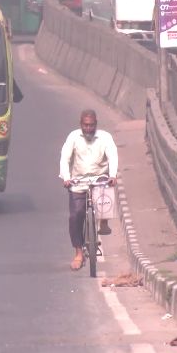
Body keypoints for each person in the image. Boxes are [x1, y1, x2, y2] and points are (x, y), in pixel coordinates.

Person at [59, 109, 119, 271]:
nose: (88, 128)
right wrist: (66, 177)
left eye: (91, 125)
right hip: (78, 180)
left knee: (106, 197)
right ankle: (78, 253)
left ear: (96, 124)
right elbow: (65, 158)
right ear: (81, 124)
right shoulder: (73, 137)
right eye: (85, 125)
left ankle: (104, 221)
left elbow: (113, 156)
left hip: (99, 179)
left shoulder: (105, 137)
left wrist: (112, 175)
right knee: (75, 216)